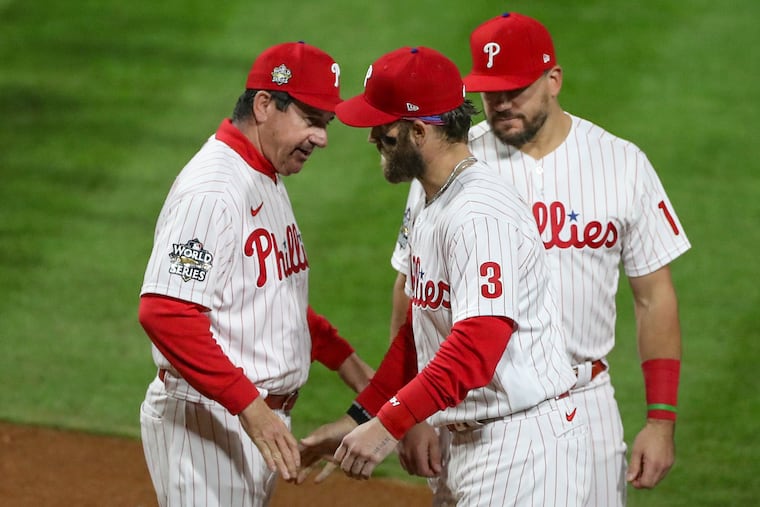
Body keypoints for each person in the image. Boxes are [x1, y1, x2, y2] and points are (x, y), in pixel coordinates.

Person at [390, 12, 691, 507]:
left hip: (584, 400)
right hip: (473, 408)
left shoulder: (620, 163)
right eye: (489, 90)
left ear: (554, 81)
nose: (501, 104)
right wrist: (416, 410)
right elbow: (415, 290)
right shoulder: (451, 162)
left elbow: (653, 297)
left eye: (516, 89)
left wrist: (660, 418)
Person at [299, 45, 591, 507]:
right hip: (477, 446)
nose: (372, 137)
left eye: (384, 129)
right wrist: (362, 415)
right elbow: (424, 336)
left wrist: (389, 424)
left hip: (521, 454)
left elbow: (477, 344)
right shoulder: (435, 202)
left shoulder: (478, 212)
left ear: (418, 131)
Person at [137, 41, 374, 507]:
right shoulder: (213, 190)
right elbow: (166, 312)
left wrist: (354, 369)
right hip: (211, 420)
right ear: (265, 105)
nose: (321, 138)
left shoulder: (264, 174)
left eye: (324, 124)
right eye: (310, 119)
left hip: (245, 419)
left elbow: (269, 301)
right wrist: (252, 410)